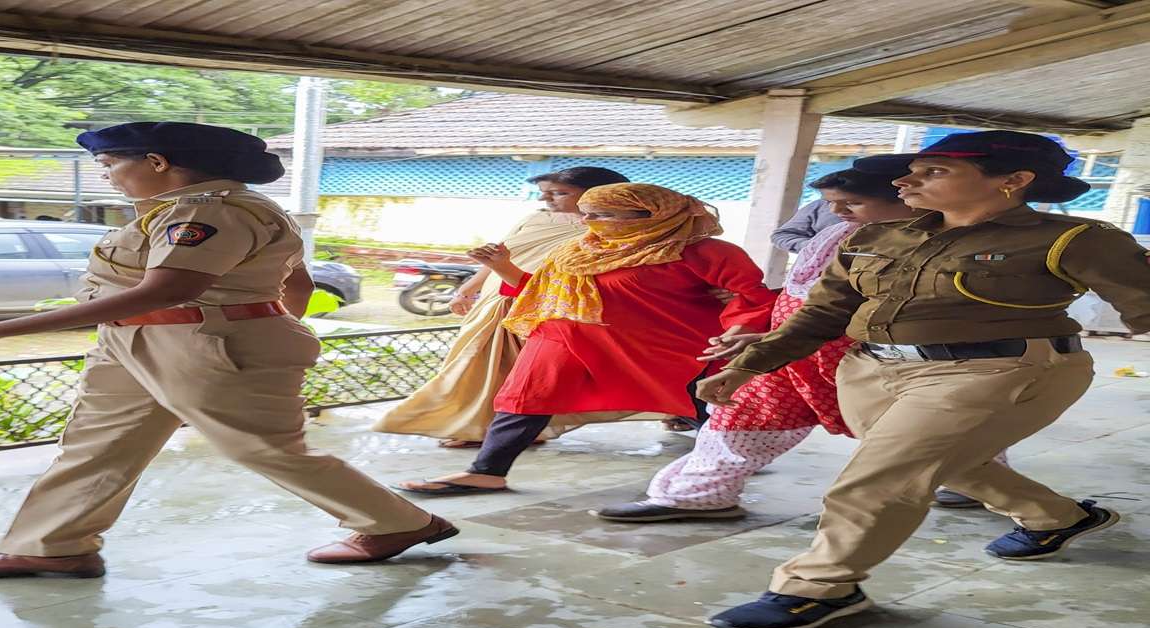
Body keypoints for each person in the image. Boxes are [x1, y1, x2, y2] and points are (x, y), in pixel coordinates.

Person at [0, 122, 457, 580]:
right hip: (140, 341)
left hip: (200, 343)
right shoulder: (179, 212)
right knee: (98, 445)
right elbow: (295, 286)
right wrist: (264, 321)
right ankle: (51, 546)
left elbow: (165, 290)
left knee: (262, 447)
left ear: (157, 162)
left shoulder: (210, 212)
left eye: (110, 164)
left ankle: (397, 523)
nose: (105, 176)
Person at [694, 130, 1149, 628]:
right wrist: (751, 362)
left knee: (881, 478)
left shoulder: (1074, 238)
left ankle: (817, 588)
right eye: (914, 170)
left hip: (996, 369)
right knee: (947, 463)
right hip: (871, 369)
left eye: (934, 171)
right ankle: (1058, 517)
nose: (905, 180)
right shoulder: (872, 237)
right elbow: (822, 314)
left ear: (1014, 181)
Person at [395, 183, 779, 495]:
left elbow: (751, 296)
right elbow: (540, 292)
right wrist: (501, 267)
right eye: (588, 213)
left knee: (695, 401)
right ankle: (487, 471)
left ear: (652, 215)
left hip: (664, 346)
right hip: (564, 338)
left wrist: (738, 330)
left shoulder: (705, 252)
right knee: (524, 398)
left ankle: (731, 460)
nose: (588, 222)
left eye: (602, 214)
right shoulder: (578, 249)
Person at [592, 169, 916, 522]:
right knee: (741, 416)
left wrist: (769, 333)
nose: (838, 212)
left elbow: (885, 312)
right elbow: (815, 298)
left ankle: (977, 485)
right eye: (831, 204)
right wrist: (769, 335)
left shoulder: (931, 249)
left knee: (920, 434)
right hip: (793, 353)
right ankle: (699, 494)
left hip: (871, 362)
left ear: (906, 196)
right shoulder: (844, 237)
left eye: (853, 203)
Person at [373, 167, 637, 448]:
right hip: (497, 299)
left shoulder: (612, 229)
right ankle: (476, 427)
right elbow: (500, 253)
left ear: (600, 193)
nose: (548, 200)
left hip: (551, 306)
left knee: (530, 372)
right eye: (545, 193)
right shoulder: (535, 218)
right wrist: (466, 290)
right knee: (482, 364)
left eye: (560, 193)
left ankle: (511, 431)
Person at [770, 198, 843, 253]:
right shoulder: (821, 205)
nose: (834, 209)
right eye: (830, 202)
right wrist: (814, 246)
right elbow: (782, 235)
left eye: (851, 203)